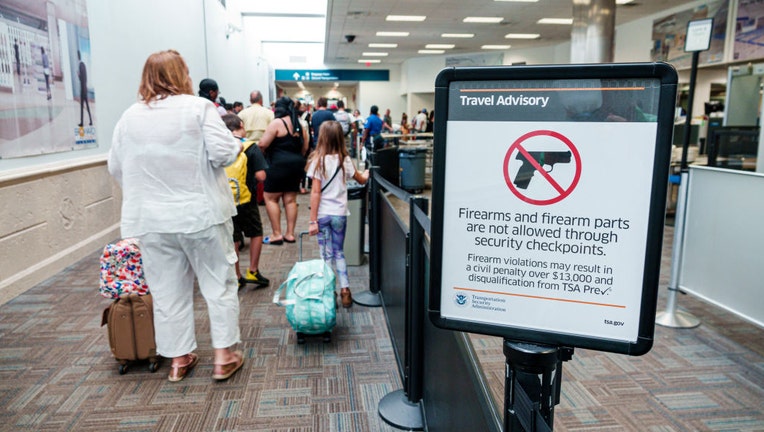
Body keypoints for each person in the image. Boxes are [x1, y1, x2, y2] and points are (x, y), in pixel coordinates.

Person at [108, 49, 244, 383]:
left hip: (151, 221)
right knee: (219, 284)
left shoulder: (129, 117)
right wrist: (239, 146)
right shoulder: (198, 108)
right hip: (200, 215)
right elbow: (224, 152)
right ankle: (224, 356)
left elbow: (115, 166)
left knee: (168, 291)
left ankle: (179, 359)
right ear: (181, 75)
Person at [306, 121, 369, 307]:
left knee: (325, 255)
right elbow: (361, 179)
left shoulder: (317, 161)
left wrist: (312, 220)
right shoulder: (345, 160)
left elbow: (315, 193)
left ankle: (328, 291)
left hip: (323, 215)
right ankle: (346, 291)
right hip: (339, 214)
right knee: (339, 252)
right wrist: (366, 173)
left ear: (322, 137)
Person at [221, 114, 270, 288]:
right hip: (246, 199)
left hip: (225, 200)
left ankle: (236, 275)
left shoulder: (220, 148)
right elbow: (261, 176)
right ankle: (253, 271)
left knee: (233, 237)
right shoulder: (250, 147)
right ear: (241, 125)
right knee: (256, 232)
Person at [258, 96, 309, 244]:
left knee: (271, 198)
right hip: (296, 165)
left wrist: (263, 156)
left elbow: (262, 144)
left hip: (277, 165)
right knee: (290, 200)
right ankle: (290, 234)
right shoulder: (299, 124)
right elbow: (305, 147)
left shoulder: (277, 123)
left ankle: (277, 234)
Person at [77, 50, 92, 127]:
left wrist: (78, 75)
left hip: (83, 90)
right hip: (85, 89)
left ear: (77, 57)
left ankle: (82, 122)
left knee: (82, 107)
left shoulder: (80, 66)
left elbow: (82, 79)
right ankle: (90, 121)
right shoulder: (84, 65)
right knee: (87, 106)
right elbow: (85, 78)